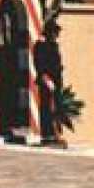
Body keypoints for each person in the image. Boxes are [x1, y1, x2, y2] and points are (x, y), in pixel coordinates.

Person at [34, 18, 66, 147]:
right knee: (47, 108)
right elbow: (40, 64)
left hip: (57, 81)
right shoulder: (40, 46)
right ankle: (47, 135)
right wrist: (46, 79)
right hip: (46, 81)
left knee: (56, 108)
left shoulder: (54, 46)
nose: (55, 35)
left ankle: (56, 134)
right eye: (53, 32)